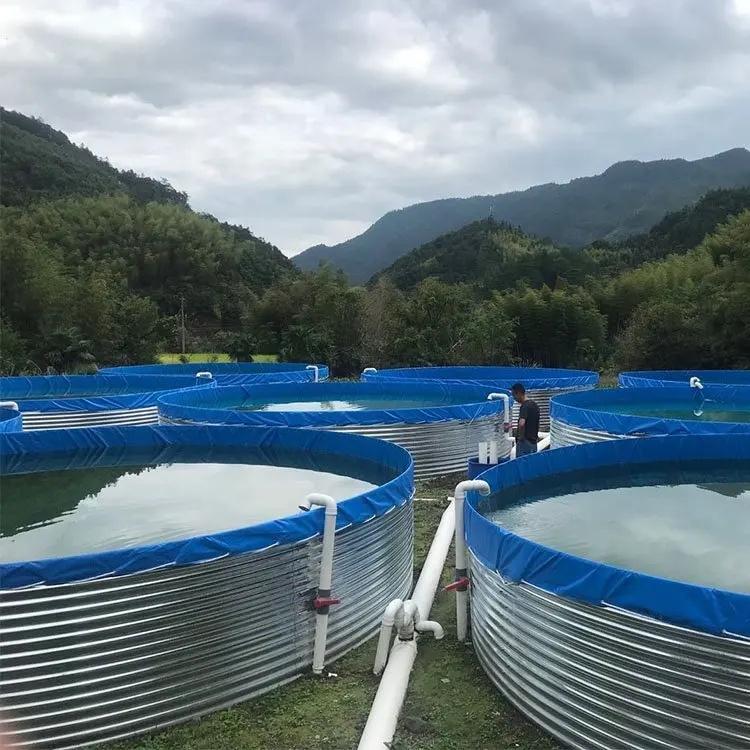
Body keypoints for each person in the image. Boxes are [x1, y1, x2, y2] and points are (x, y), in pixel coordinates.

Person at [511, 383, 540, 457]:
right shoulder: (534, 405)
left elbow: (522, 423)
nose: (514, 398)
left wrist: (520, 438)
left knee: (521, 464)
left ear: (519, 393)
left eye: (514, 395)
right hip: (533, 441)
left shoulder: (524, 406)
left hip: (525, 442)